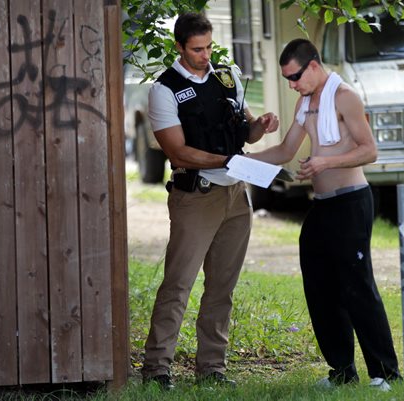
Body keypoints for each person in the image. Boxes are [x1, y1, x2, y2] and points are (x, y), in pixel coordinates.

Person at [248, 38, 402, 391]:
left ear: (314, 66)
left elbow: (369, 150)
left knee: (357, 286)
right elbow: (287, 150)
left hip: (351, 201)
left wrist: (324, 162)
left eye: (296, 76)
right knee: (318, 284)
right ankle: (342, 370)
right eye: (287, 78)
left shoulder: (344, 96)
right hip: (322, 205)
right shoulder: (305, 102)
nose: (292, 84)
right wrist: (240, 162)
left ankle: (385, 372)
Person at [141, 13, 279, 390]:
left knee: (222, 287)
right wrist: (225, 161)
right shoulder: (163, 90)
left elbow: (246, 134)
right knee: (178, 284)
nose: (205, 55)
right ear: (180, 47)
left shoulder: (226, 76)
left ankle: (212, 368)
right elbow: (178, 152)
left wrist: (261, 125)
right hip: (195, 195)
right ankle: (156, 370)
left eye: (208, 47)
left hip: (236, 194)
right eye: (197, 50)